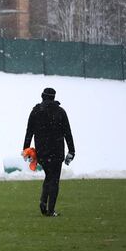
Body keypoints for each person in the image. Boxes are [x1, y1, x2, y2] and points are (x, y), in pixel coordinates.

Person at [23, 87, 76, 217]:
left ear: (42, 96)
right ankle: (50, 210)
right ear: (54, 97)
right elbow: (67, 132)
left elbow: (29, 132)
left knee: (48, 176)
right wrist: (72, 151)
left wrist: (26, 150)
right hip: (57, 151)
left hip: (42, 151)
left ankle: (43, 201)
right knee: (54, 180)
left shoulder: (35, 111)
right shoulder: (60, 112)